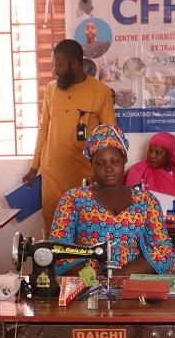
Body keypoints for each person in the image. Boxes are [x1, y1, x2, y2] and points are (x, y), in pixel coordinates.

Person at [49, 124, 175, 338]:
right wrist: (96, 277)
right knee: (92, 330)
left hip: (133, 281)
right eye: (100, 162)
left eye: (114, 161)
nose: (108, 168)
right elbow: (59, 250)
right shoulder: (74, 200)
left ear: (125, 161)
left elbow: (161, 250)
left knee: (165, 324)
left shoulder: (146, 201)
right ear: (91, 164)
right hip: (90, 281)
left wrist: (119, 275)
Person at [23, 39, 115, 232]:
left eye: (59, 65)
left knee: (83, 232)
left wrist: (102, 175)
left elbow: (109, 137)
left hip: (84, 177)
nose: (55, 71)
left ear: (75, 64)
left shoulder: (101, 92)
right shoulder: (51, 89)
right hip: (52, 175)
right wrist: (33, 167)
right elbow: (43, 129)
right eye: (54, 65)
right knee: (53, 234)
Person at [125, 132, 175, 274]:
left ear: (170, 155)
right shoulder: (138, 170)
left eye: (158, 152)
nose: (152, 156)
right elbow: (128, 203)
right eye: (150, 150)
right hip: (147, 229)